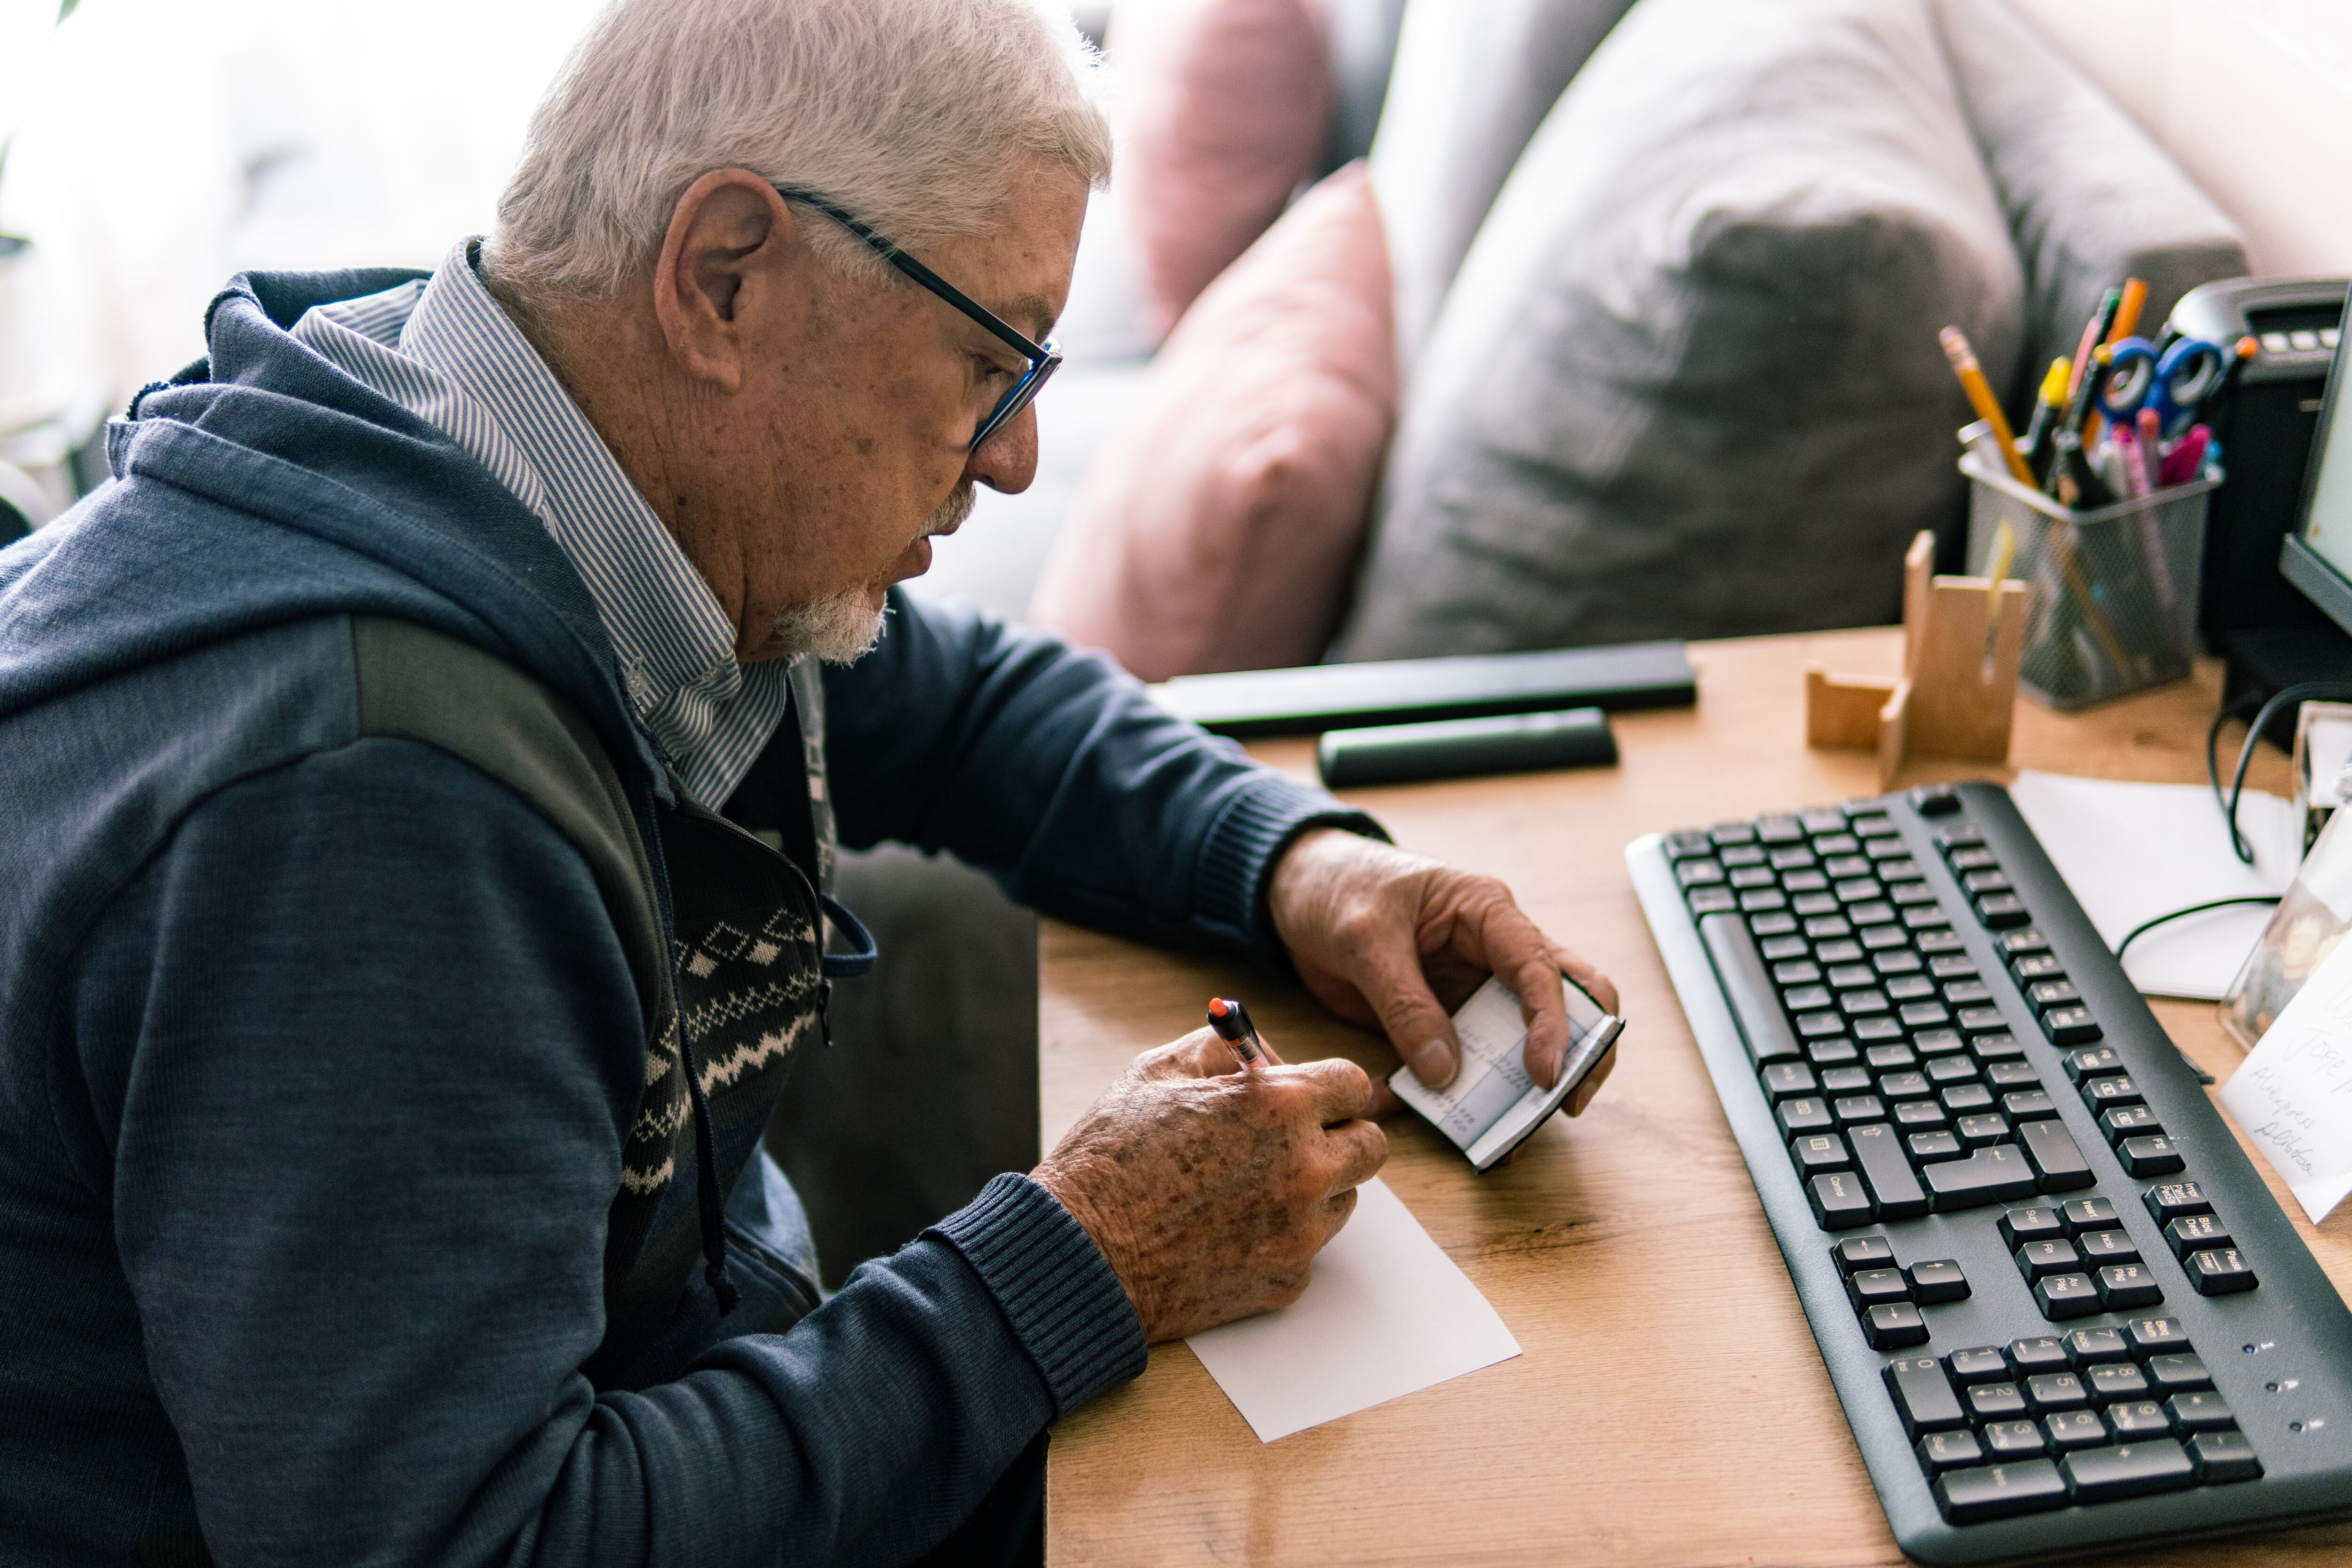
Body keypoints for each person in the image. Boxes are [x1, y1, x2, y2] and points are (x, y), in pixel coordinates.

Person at [0, 1, 1618, 1563]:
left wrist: (1300, 865)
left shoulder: (579, 468)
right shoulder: (370, 813)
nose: (1016, 459)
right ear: (723, 276)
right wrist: (1081, 1255)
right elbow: (481, 1542)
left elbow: (972, 701)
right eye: (994, 360)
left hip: (699, 1369)